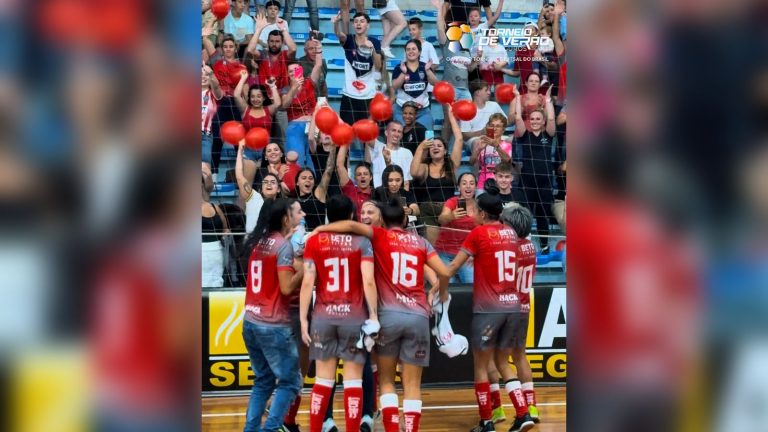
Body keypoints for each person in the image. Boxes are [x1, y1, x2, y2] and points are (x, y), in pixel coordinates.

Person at [313, 198, 452, 432]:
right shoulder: (420, 242)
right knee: (412, 384)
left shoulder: (378, 236)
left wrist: (320, 228)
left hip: (387, 316)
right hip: (418, 316)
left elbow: (349, 226)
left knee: (386, 380)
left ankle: (388, 427)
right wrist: (440, 292)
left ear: (383, 220)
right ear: (405, 219)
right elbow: (444, 272)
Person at [446, 187, 535, 432]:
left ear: (483, 214)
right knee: (505, 362)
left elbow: (453, 267)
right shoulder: (511, 234)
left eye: (474, 209)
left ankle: (486, 421)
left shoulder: (478, 233)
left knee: (481, 366)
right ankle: (523, 413)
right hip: (514, 306)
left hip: (489, 309)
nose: (472, 213)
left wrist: (435, 285)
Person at [300, 194, 379, 432]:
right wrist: (373, 316)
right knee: (353, 379)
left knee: (323, 380)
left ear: (328, 216)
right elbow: (368, 281)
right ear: (352, 216)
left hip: (323, 318)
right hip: (354, 318)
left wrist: (304, 319)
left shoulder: (314, 242)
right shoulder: (362, 242)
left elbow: (307, 283)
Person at [240, 198, 305, 432]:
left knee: (263, 381)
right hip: (273, 324)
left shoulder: (257, 242)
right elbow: (287, 288)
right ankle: (271, 429)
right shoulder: (282, 246)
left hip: (250, 321)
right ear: (284, 218)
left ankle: (251, 430)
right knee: (290, 382)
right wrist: (305, 271)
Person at [500, 205, 541, 424]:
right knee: (520, 356)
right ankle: (532, 407)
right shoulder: (530, 246)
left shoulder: (510, 247)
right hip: (525, 305)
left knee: (496, 360)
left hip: (507, 307)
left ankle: (505, 409)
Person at [513, 83, 556, 253]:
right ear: (529, 122)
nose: (535, 121)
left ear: (543, 121)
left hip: (545, 181)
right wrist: (517, 97)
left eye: (538, 119)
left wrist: (547, 101)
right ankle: (525, 245)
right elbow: (517, 118)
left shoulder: (548, 135)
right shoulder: (525, 136)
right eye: (533, 119)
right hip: (527, 181)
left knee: (543, 215)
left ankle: (544, 246)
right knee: (526, 215)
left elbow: (552, 119)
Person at [409, 106, 463, 244]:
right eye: (432, 146)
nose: (435, 147)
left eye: (439, 146)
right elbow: (413, 172)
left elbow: (459, 139)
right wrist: (421, 147)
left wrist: (450, 115)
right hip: (428, 211)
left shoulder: (452, 165)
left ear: (445, 151)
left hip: (448, 210)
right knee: (432, 248)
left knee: (449, 246)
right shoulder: (425, 167)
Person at [433, 0, 477, 141]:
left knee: (466, 121)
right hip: (449, 90)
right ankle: (444, 147)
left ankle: (463, 148)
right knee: (448, 120)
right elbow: (440, 28)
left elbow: (470, 68)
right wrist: (440, 9)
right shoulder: (446, 44)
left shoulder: (467, 49)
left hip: (464, 90)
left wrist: (476, 60)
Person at [332, 12, 383, 127]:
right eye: (356, 22)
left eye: (362, 21)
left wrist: (373, 49)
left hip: (368, 97)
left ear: (368, 25)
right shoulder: (349, 40)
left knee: (367, 136)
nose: (358, 24)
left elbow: (378, 66)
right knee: (346, 134)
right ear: (353, 25)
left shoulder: (374, 42)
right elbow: (339, 35)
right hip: (349, 96)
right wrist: (336, 23)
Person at [233, 70, 282, 184]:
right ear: (249, 98)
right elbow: (236, 95)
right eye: (253, 97)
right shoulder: (245, 109)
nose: (256, 99)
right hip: (248, 151)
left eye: (259, 96)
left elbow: (278, 104)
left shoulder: (268, 110)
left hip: (267, 152)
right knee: (246, 186)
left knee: (268, 185)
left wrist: (272, 86)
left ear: (264, 98)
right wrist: (243, 78)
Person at [435, 172, 479, 283]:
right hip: (445, 253)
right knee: (448, 285)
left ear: (476, 187)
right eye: (464, 183)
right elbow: (441, 219)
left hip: (466, 255)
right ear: (459, 187)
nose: (468, 186)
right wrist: (451, 216)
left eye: (471, 183)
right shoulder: (452, 202)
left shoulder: (479, 205)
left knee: (471, 283)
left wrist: (476, 254)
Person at [281, 61, 322, 170]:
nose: (293, 73)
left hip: (313, 126)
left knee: (313, 163)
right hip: (295, 127)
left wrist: (318, 50)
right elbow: (285, 105)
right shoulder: (286, 89)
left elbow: (318, 64)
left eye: (296, 70)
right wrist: (294, 87)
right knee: (296, 163)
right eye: (290, 71)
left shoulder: (309, 83)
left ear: (301, 71)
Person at [236, 140, 284, 233]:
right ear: (261, 187)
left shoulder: (283, 205)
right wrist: (240, 150)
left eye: (273, 182)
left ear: (278, 189)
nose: (269, 183)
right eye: (265, 182)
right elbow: (239, 176)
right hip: (252, 244)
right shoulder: (253, 197)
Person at [392, 39, 437, 129]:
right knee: (400, 140)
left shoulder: (425, 66)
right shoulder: (399, 67)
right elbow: (395, 86)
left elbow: (435, 83)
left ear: (419, 52)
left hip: (422, 111)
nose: (411, 51)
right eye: (408, 49)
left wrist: (428, 70)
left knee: (428, 138)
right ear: (405, 52)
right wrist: (403, 73)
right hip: (402, 111)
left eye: (413, 49)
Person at [294, 147, 335, 230]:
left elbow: (328, 171)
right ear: (297, 182)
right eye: (304, 178)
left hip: (318, 238)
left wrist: (333, 147)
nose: (308, 180)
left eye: (310, 178)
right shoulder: (293, 201)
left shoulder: (318, 195)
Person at [202, 165, 229, 288]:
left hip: (216, 253)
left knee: (216, 285)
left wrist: (226, 234)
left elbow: (225, 228)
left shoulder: (215, 207)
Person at [469, 113, 512, 190]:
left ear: (503, 130)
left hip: (501, 184)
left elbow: (508, 161)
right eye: (492, 125)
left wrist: (496, 146)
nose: (494, 128)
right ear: (488, 127)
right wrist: (478, 150)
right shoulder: (481, 143)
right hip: (483, 183)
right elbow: (471, 162)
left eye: (498, 126)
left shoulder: (507, 145)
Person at [460, 79, 507, 149]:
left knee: (511, 139)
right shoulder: (467, 109)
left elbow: (506, 121)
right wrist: (481, 132)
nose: (489, 93)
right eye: (486, 90)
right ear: (478, 92)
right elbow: (464, 135)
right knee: (479, 143)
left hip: (495, 137)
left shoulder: (494, 105)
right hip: (476, 139)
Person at [365, 120, 413, 189]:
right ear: (386, 132)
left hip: (398, 193)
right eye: (393, 130)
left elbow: (406, 181)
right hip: (379, 194)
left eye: (399, 131)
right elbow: (366, 133)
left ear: (402, 135)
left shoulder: (407, 153)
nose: (396, 134)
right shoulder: (378, 147)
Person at [336, 144, 374, 221]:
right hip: (352, 231)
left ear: (371, 177)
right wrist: (345, 140)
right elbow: (339, 165)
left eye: (365, 174)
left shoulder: (377, 194)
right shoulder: (350, 189)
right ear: (355, 178)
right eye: (359, 174)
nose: (362, 176)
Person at [202, 63, 223, 172]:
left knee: (205, 173)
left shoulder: (213, 94)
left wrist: (211, 73)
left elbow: (216, 87)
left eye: (206, 74)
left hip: (204, 136)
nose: (203, 76)